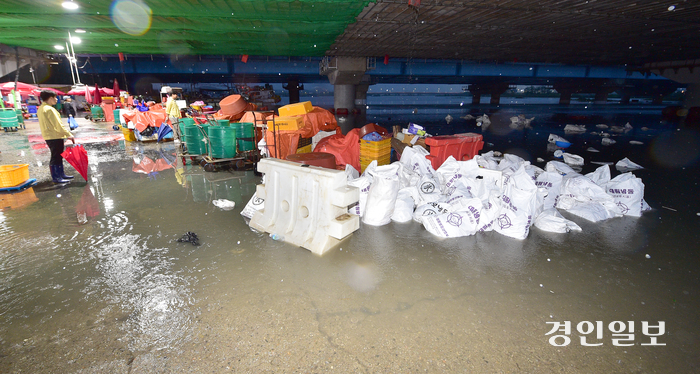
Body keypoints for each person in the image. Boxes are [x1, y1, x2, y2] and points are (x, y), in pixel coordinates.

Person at [38, 90, 75, 184]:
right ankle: (57, 177)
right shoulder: (49, 109)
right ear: (50, 98)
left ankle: (61, 174)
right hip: (54, 136)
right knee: (55, 157)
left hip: (49, 135)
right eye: (55, 98)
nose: (56, 100)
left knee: (58, 156)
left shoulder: (42, 108)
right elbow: (58, 125)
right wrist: (68, 134)